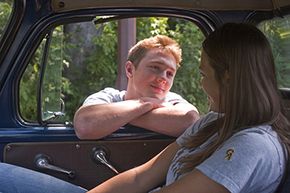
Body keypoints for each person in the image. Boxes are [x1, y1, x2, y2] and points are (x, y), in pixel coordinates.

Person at [86, 23, 290, 193]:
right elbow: (141, 177)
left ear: (227, 77)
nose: (201, 85)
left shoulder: (252, 145)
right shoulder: (213, 122)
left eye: (203, 74)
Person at [73, 35, 199, 139]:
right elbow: (85, 124)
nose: (163, 78)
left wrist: (118, 118)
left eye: (170, 74)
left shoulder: (172, 100)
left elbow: (190, 120)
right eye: (155, 67)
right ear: (130, 70)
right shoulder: (108, 97)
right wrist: (143, 104)